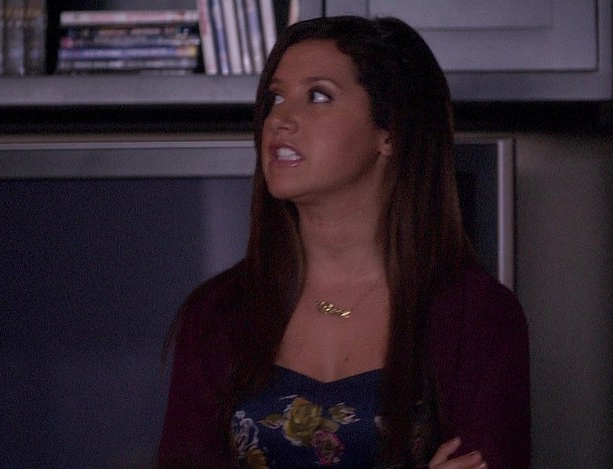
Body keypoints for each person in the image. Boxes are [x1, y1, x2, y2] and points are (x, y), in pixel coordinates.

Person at [157, 15, 530, 469]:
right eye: (276, 98)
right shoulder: (216, 314)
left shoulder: (479, 316)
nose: (279, 120)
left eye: (318, 96)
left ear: (390, 132)